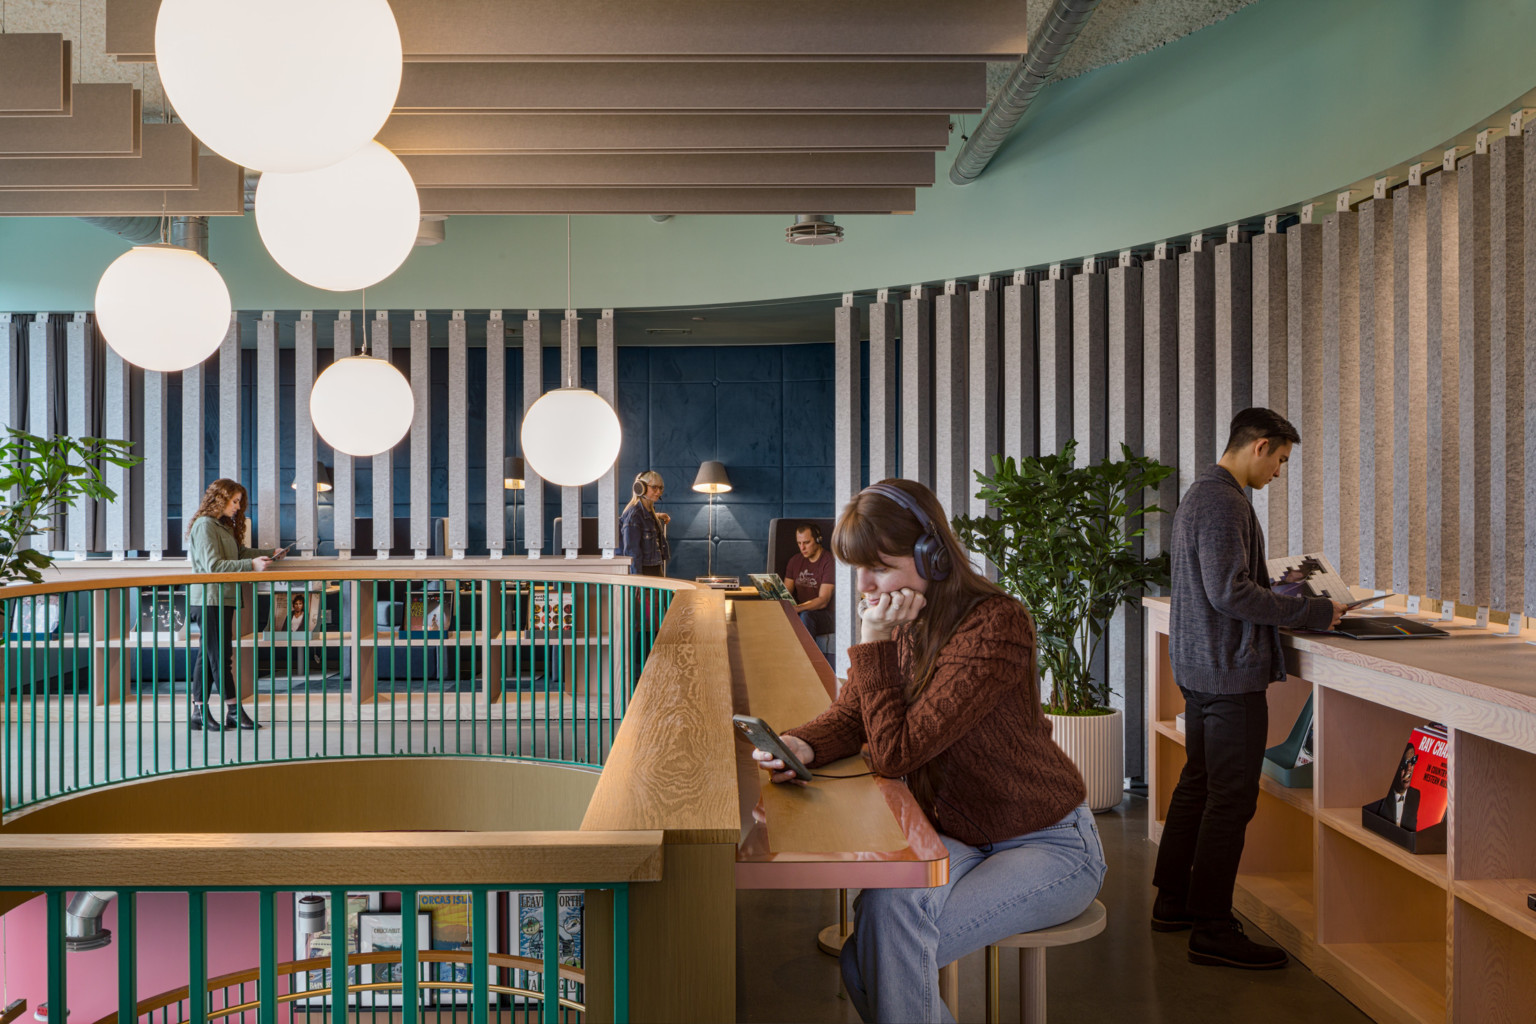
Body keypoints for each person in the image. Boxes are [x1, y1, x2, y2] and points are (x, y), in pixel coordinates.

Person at [749, 479, 1106, 1023]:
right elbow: (854, 715)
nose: (865, 585)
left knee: (868, 962)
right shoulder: (902, 619)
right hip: (957, 835)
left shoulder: (995, 625)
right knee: (881, 918)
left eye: (880, 566)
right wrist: (801, 743)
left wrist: (872, 643)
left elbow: (897, 752)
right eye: (858, 569)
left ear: (932, 556)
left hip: (1048, 843)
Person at [1151, 408, 1344, 969]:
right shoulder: (1222, 500)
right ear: (1260, 446)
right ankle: (1211, 926)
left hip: (1200, 667)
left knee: (1200, 783)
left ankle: (1175, 901)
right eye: (1281, 461)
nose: (1279, 474)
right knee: (1230, 800)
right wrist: (1310, 610)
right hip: (1226, 671)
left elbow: (1226, 586)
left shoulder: (1205, 495)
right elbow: (1229, 593)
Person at [186, 478, 284, 731]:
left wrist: (271, 552)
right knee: (221, 657)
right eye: (235, 501)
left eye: (240, 502)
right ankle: (233, 710)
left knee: (207, 658)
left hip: (222, 598)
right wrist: (251, 566)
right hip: (209, 599)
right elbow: (213, 567)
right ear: (220, 498)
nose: (238, 507)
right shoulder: (205, 525)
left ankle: (198, 712)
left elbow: (238, 555)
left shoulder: (223, 526)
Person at [784, 522, 835, 636]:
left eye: (806, 543)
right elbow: (786, 592)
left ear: (818, 540)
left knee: (806, 616)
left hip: (826, 615)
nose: (802, 548)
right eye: (799, 543)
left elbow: (823, 600)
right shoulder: (795, 561)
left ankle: (806, 654)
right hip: (802, 611)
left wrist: (798, 608)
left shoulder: (829, 562)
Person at [618, 470, 670, 576]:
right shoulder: (634, 516)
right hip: (644, 572)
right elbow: (632, 552)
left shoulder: (648, 512)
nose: (658, 492)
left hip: (654, 568)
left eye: (660, 488)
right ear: (641, 487)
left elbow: (645, 522)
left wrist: (658, 515)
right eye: (654, 487)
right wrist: (637, 578)